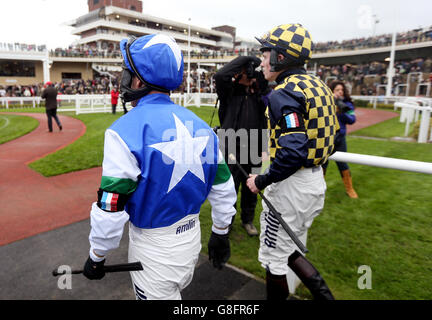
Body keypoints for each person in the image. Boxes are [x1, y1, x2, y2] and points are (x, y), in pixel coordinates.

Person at [82, 34, 237, 300]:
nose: (125, 81)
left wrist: (97, 255)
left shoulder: (122, 131)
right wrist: (221, 232)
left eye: (127, 74)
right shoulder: (202, 127)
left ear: (139, 80)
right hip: (191, 243)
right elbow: (223, 188)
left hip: (153, 252)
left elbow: (111, 207)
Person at [246, 24, 338, 300]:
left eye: (266, 54)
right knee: (289, 248)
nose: (261, 61)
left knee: (274, 259)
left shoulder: (285, 92)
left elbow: (292, 152)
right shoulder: (318, 85)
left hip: (291, 187)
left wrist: (260, 180)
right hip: (314, 181)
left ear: (281, 58)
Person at [214, 55, 269, 236]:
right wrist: (245, 59)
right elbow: (221, 75)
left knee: (251, 188)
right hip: (230, 146)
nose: (249, 75)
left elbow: (267, 79)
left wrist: (256, 68)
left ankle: (248, 220)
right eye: (245, 71)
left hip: (254, 146)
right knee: (229, 188)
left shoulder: (259, 93)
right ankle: (226, 222)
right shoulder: (228, 92)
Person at [322, 81, 358, 198]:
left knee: (342, 164)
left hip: (340, 139)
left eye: (342, 90)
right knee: (322, 164)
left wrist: (341, 112)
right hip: (327, 138)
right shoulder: (325, 101)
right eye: (337, 90)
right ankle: (319, 190)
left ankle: (350, 189)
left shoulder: (347, 104)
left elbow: (352, 120)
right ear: (332, 91)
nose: (340, 92)